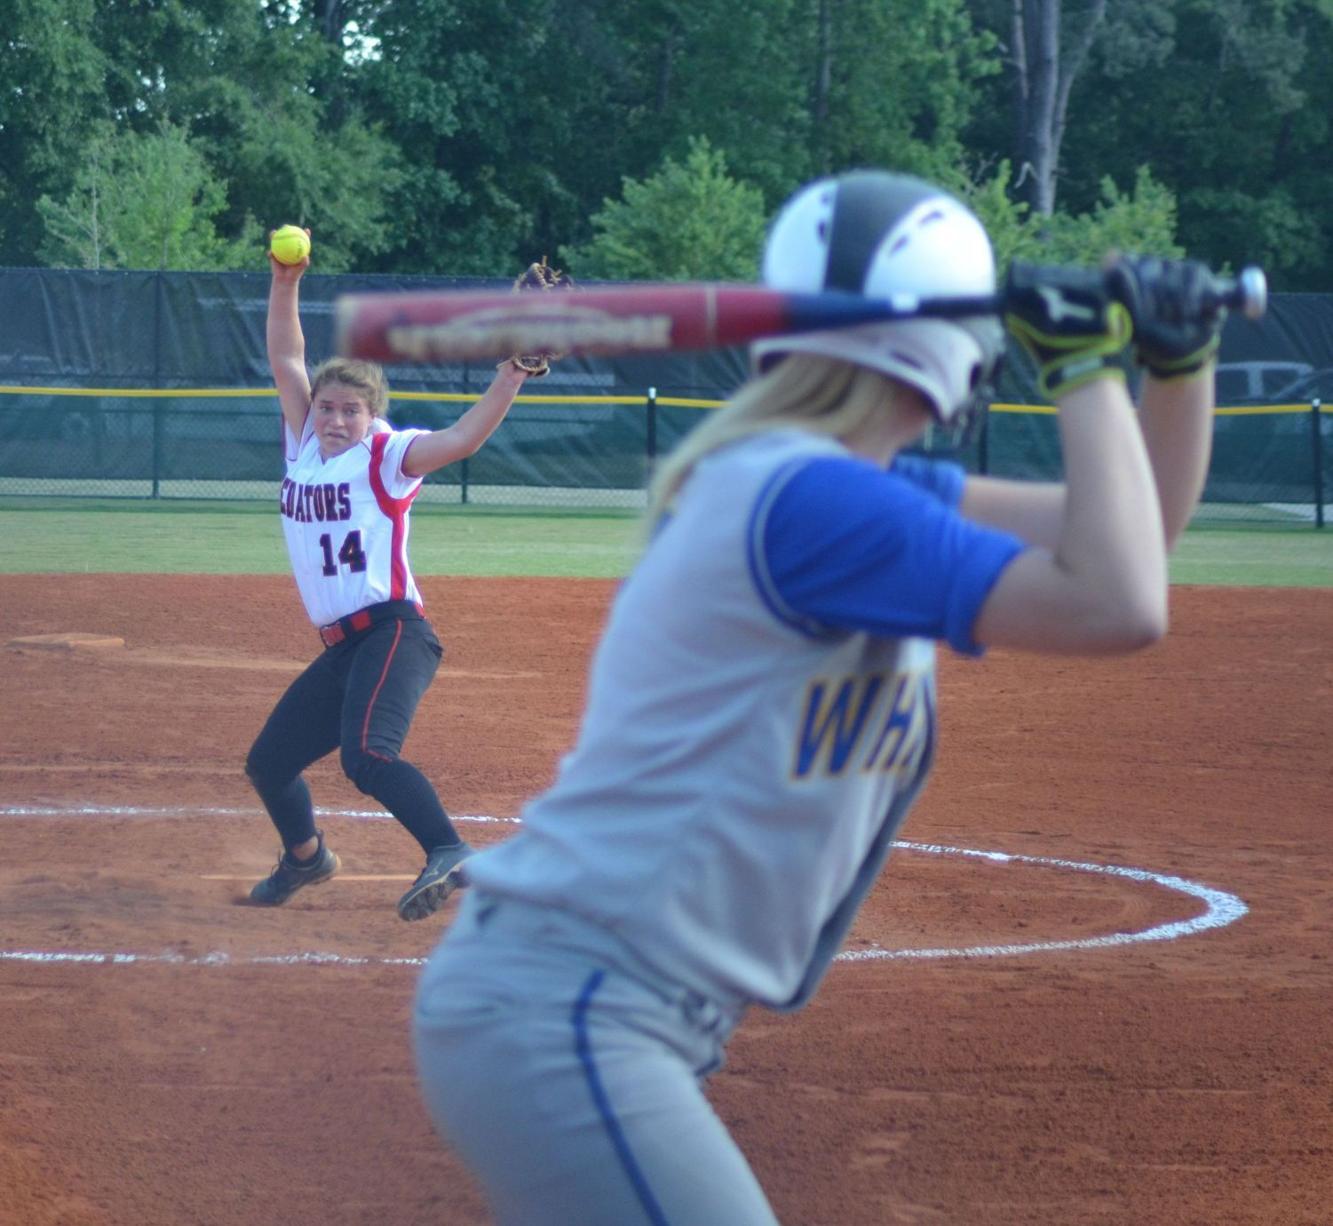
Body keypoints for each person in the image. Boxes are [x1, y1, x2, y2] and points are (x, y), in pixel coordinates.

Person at [411, 171, 1225, 1221]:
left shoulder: (822, 485)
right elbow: (1118, 604)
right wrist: (1078, 364)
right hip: (568, 1007)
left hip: (587, 1007)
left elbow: (1131, 538)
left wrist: (1175, 365)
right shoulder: (811, 499)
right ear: (954, 349)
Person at [246, 229, 539, 921]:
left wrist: (510, 374)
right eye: (327, 406)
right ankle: (306, 858)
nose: (337, 417)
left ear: (373, 416)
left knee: (368, 757)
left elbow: (462, 439)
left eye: (352, 408)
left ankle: (447, 849)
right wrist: (285, 281)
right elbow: (288, 356)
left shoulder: (386, 456)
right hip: (344, 646)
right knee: (268, 763)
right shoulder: (306, 448)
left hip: (393, 633)